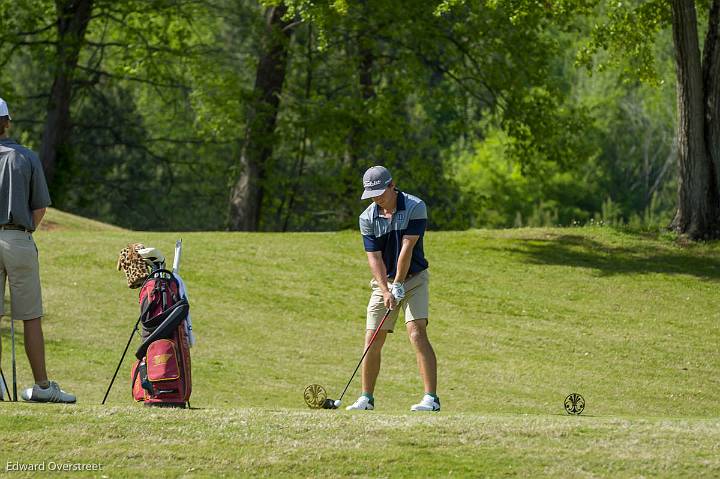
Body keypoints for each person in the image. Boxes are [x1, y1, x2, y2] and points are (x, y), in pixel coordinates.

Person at [346, 165, 439, 412]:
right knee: (372, 338)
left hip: (414, 278)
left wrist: (399, 283)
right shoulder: (367, 217)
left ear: (391, 185)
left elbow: (407, 248)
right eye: (372, 194)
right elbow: (374, 258)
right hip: (384, 282)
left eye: (380, 192)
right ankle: (366, 398)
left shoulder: (415, 206)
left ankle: (431, 399)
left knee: (416, 332)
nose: (377, 198)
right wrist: (387, 289)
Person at [0, 97, 75, 403]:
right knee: (30, 316)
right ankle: (42, 387)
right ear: (7, 122)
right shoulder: (26, 157)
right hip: (18, 238)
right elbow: (40, 207)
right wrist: (25, 231)